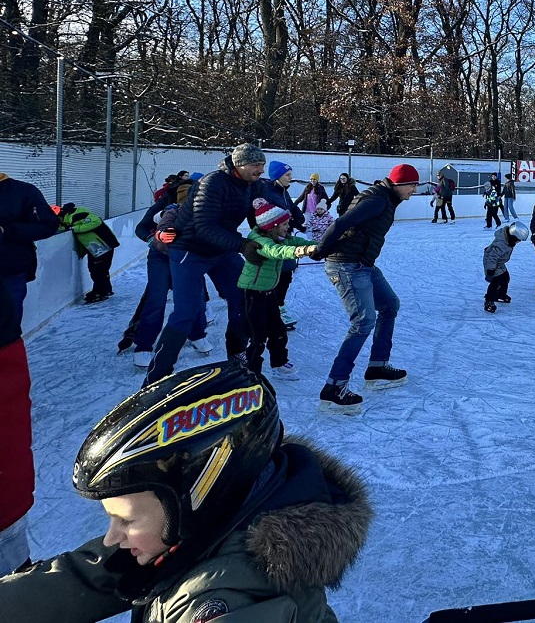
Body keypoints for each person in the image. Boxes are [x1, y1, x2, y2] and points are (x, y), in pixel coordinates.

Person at [0, 362, 371, 619]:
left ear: (197, 497)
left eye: (125, 520)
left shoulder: (231, 601)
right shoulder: (200, 530)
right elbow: (91, 575)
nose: (112, 538)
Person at [145, 143, 268, 385]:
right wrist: (243, 245)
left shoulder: (250, 184)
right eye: (256, 165)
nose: (260, 170)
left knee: (242, 297)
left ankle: (236, 357)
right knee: (187, 312)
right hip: (190, 250)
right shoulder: (212, 183)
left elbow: (263, 211)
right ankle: (155, 379)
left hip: (220, 250)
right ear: (240, 164)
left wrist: (279, 231)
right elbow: (204, 226)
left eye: (262, 165)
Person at [309, 163, 418, 412]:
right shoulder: (377, 199)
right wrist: (321, 250)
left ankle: (377, 366)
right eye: (412, 185)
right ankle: (334, 388)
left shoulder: (386, 199)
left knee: (390, 305)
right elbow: (341, 223)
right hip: (347, 265)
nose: (414, 190)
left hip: (363, 264)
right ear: (400, 184)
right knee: (363, 321)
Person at [0, 174, 58, 574]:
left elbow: (49, 224)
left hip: (11, 271)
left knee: (9, 329)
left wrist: (8, 229)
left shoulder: (21, 191)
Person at [122, 196, 208, 368]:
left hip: (187, 258)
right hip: (161, 256)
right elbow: (146, 228)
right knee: (157, 297)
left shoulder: (205, 213)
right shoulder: (169, 211)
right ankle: (144, 344)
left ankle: (197, 333)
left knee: (194, 296)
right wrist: (155, 238)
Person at [240, 198, 317, 379]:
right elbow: (277, 252)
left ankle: (279, 363)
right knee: (258, 336)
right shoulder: (261, 242)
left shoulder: (280, 237)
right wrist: (301, 252)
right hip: (253, 295)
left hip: (269, 293)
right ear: (272, 226)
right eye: (284, 224)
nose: (287, 227)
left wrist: (316, 246)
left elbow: (294, 241)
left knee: (278, 330)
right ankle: (252, 372)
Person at [260, 160, 306, 331]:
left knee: (286, 272)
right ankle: (273, 308)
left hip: (284, 235)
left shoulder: (283, 191)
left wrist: (298, 220)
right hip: (272, 238)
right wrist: (289, 221)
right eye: (287, 175)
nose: (291, 178)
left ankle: (278, 305)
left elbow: (293, 209)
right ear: (277, 176)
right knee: (276, 273)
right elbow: (273, 216)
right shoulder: (268, 192)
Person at [54, 202, 121, 303]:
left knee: (97, 270)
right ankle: (105, 290)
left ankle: (99, 292)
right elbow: (64, 227)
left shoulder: (77, 215)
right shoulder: (67, 221)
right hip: (96, 247)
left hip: (102, 245)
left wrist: (74, 229)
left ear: (60, 215)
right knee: (100, 269)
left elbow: (96, 221)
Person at [484, 221, 530, 311]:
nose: (517, 242)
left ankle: (500, 295)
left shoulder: (508, 239)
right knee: (495, 282)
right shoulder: (502, 244)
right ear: (513, 236)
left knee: (505, 277)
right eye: (518, 240)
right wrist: (490, 270)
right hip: (491, 263)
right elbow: (492, 256)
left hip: (499, 262)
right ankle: (489, 301)